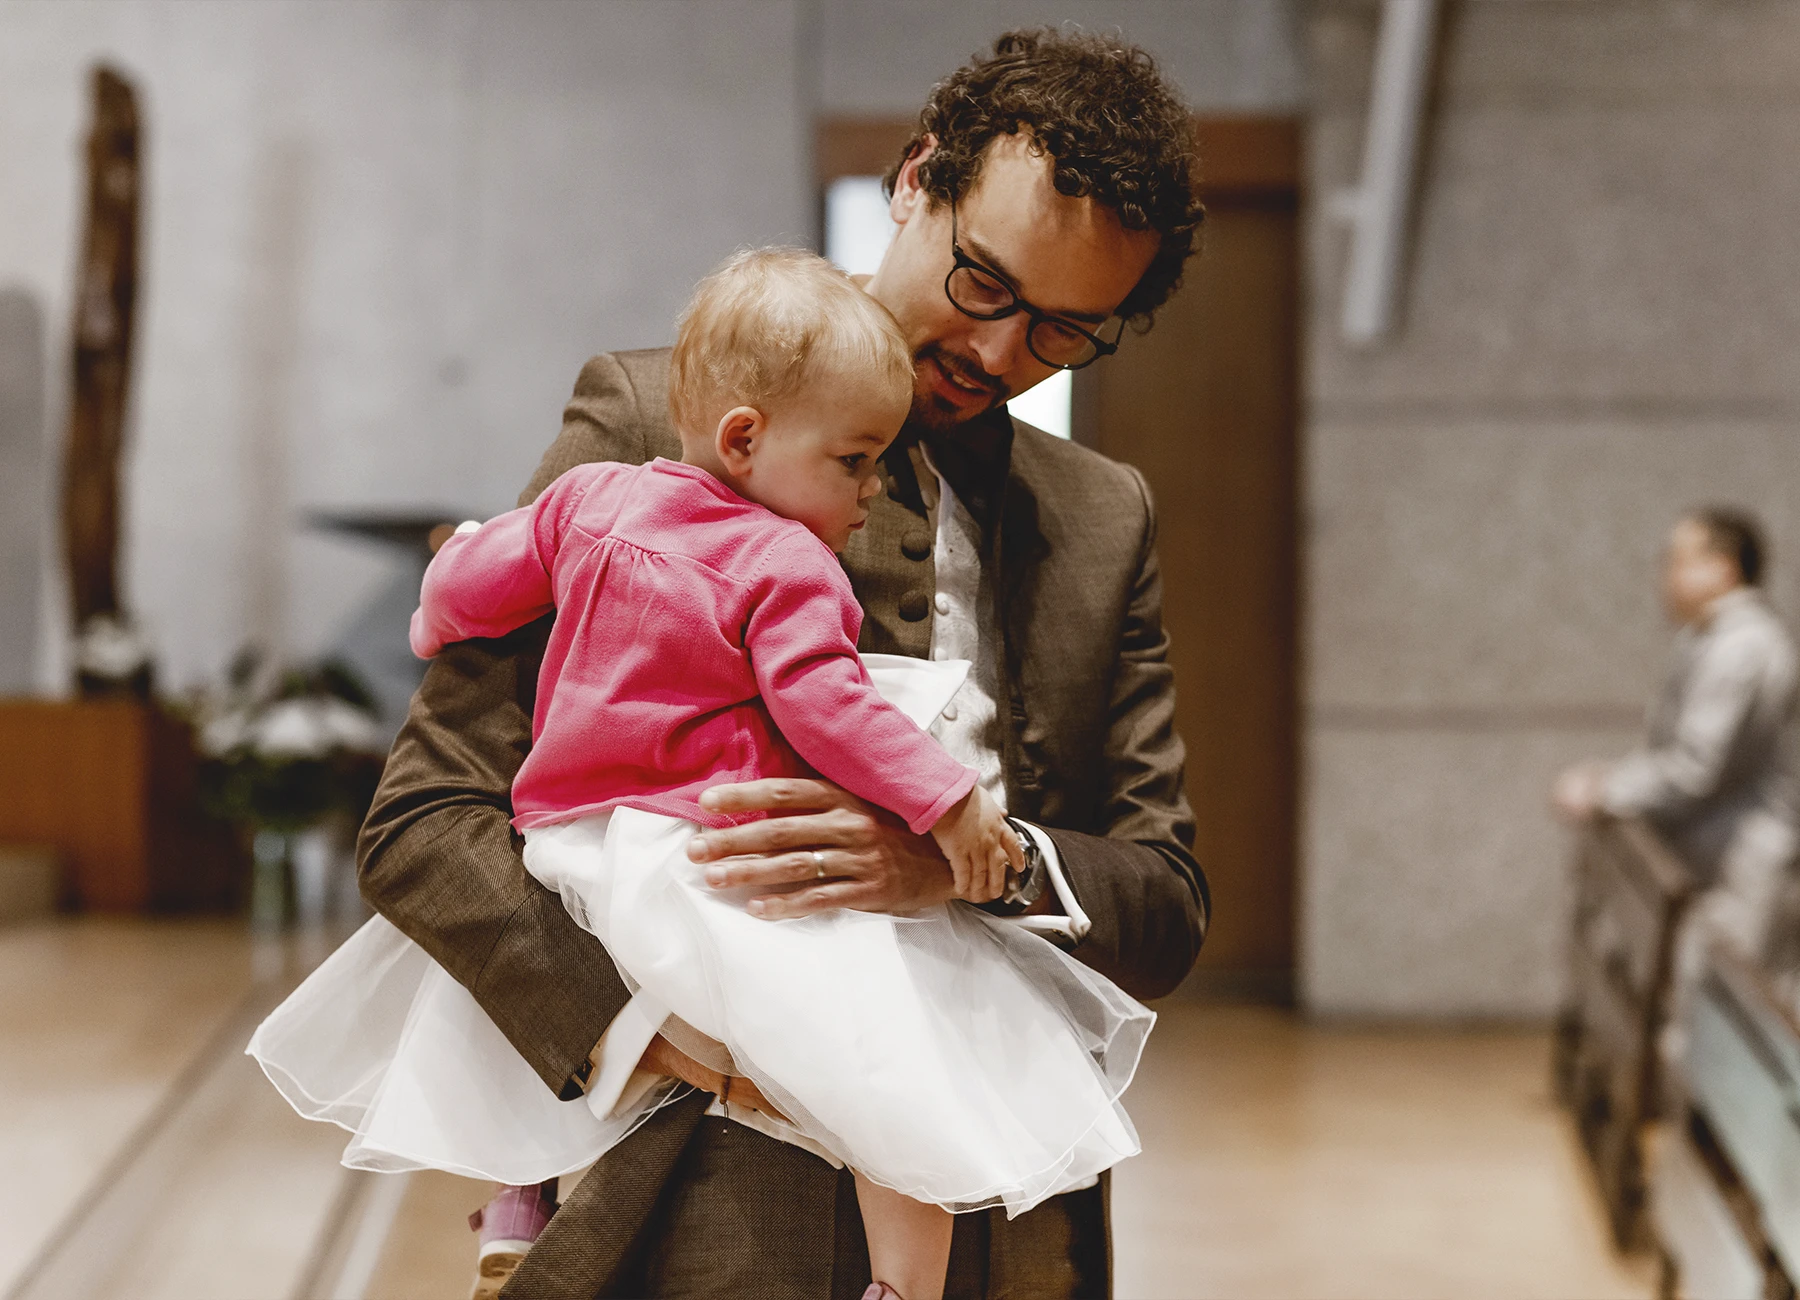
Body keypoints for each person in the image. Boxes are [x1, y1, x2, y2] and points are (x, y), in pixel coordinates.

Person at [359, 28, 1209, 1299]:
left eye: (1064, 333)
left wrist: (970, 864)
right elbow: (426, 821)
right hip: (677, 1209)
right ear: (917, 180)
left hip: (998, 1230)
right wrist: (660, 1041)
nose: (999, 353)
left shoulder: (1100, 515)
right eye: (985, 284)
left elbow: (1165, 897)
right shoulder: (660, 425)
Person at [249, 249, 1153, 1300]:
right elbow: (826, 704)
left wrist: (432, 610)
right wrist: (948, 803)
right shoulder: (785, 561)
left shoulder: (592, 503)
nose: (868, 494)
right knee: (885, 1056)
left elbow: (471, 580)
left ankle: (519, 1198)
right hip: (709, 850)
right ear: (744, 438)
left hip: (577, 843)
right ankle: (905, 1287)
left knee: (517, 1037)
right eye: (858, 463)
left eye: (1067, 330)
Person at [1554, 508, 1800, 1042]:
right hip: (1722, 859)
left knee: (1736, 1027)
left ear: (1722, 568)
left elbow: (1696, 768)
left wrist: (1607, 789)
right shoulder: (1713, 639)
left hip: (1744, 864)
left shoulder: (1744, 646)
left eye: (1677, 560)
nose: (1665, 575)